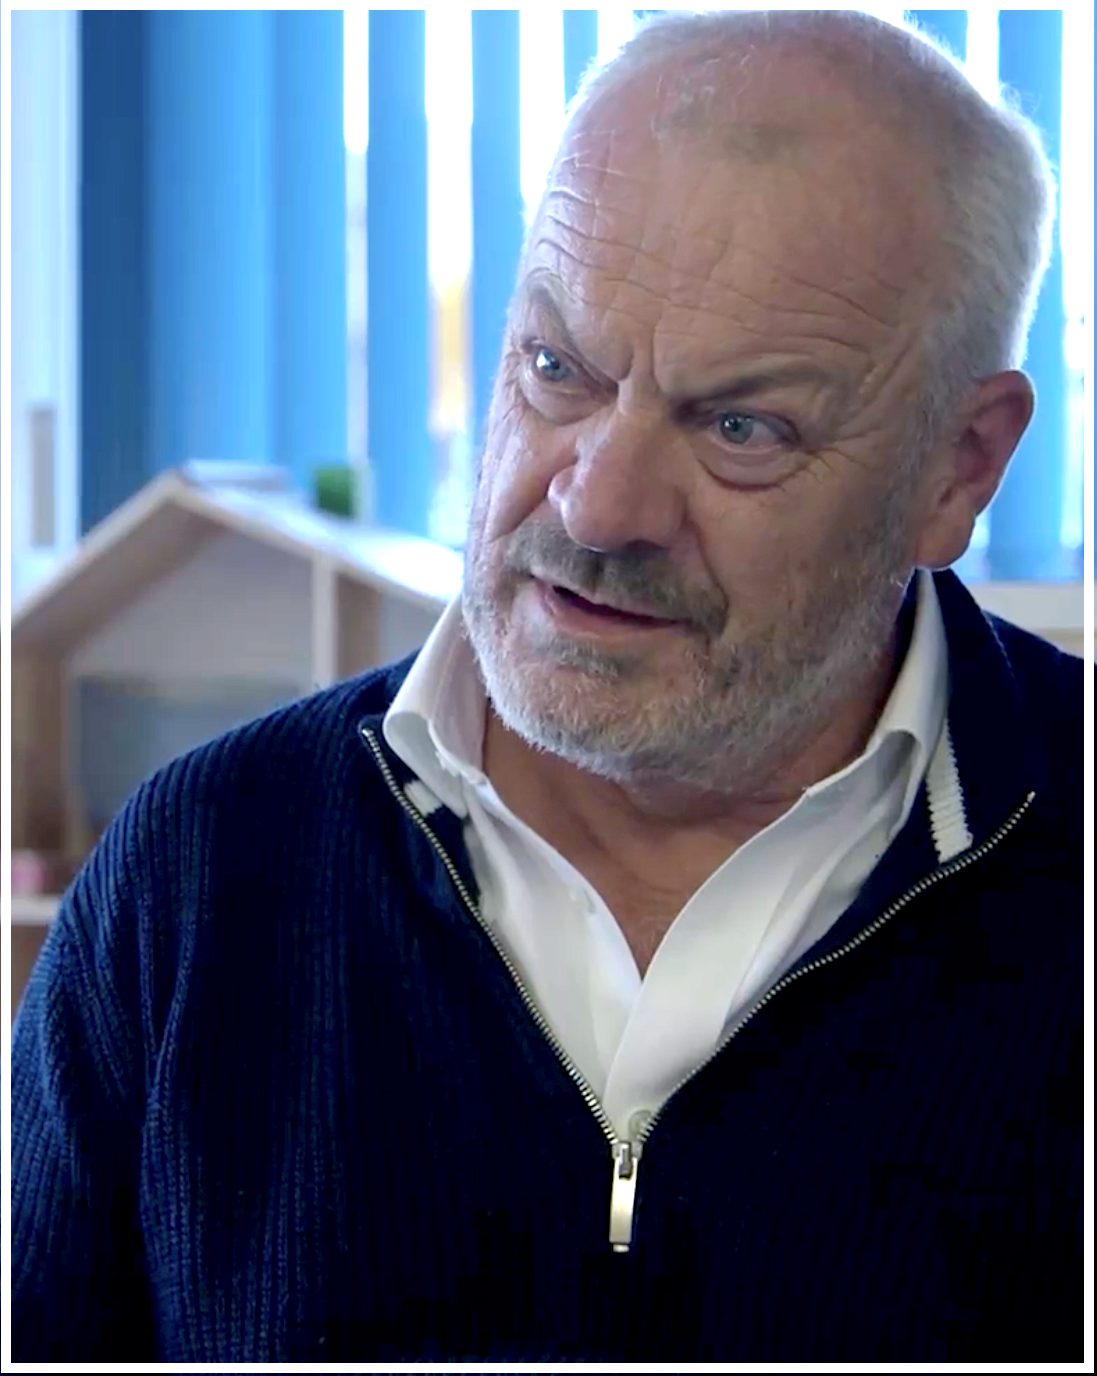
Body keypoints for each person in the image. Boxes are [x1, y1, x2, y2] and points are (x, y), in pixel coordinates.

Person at [12, 9, 1082, 1363]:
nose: (599, 505)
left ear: (960, 466)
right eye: (557, 369)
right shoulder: (197, 874)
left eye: (741, 426)